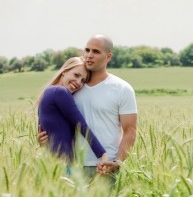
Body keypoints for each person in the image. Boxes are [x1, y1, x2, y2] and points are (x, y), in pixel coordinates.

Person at [38, 35, 138, 180]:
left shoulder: (122, 89)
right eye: (87, 50)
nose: (89, 55)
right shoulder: (72, 89)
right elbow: (53, 118)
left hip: (105, 166)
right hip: (73, 166)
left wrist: (118, 162)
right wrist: (44, 139)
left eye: (96, 52)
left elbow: (130, 130)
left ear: (108, 57)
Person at [36, 57, 109, 171]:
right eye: (76, 75)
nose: (79, 82)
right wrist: (102, 154)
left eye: (83, 80)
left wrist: (40, 141)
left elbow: (41, 129)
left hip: (51, 164)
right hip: (64, 166)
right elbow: (81, 125)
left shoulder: (47, 92)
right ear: (64, 71)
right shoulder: (61, 92)